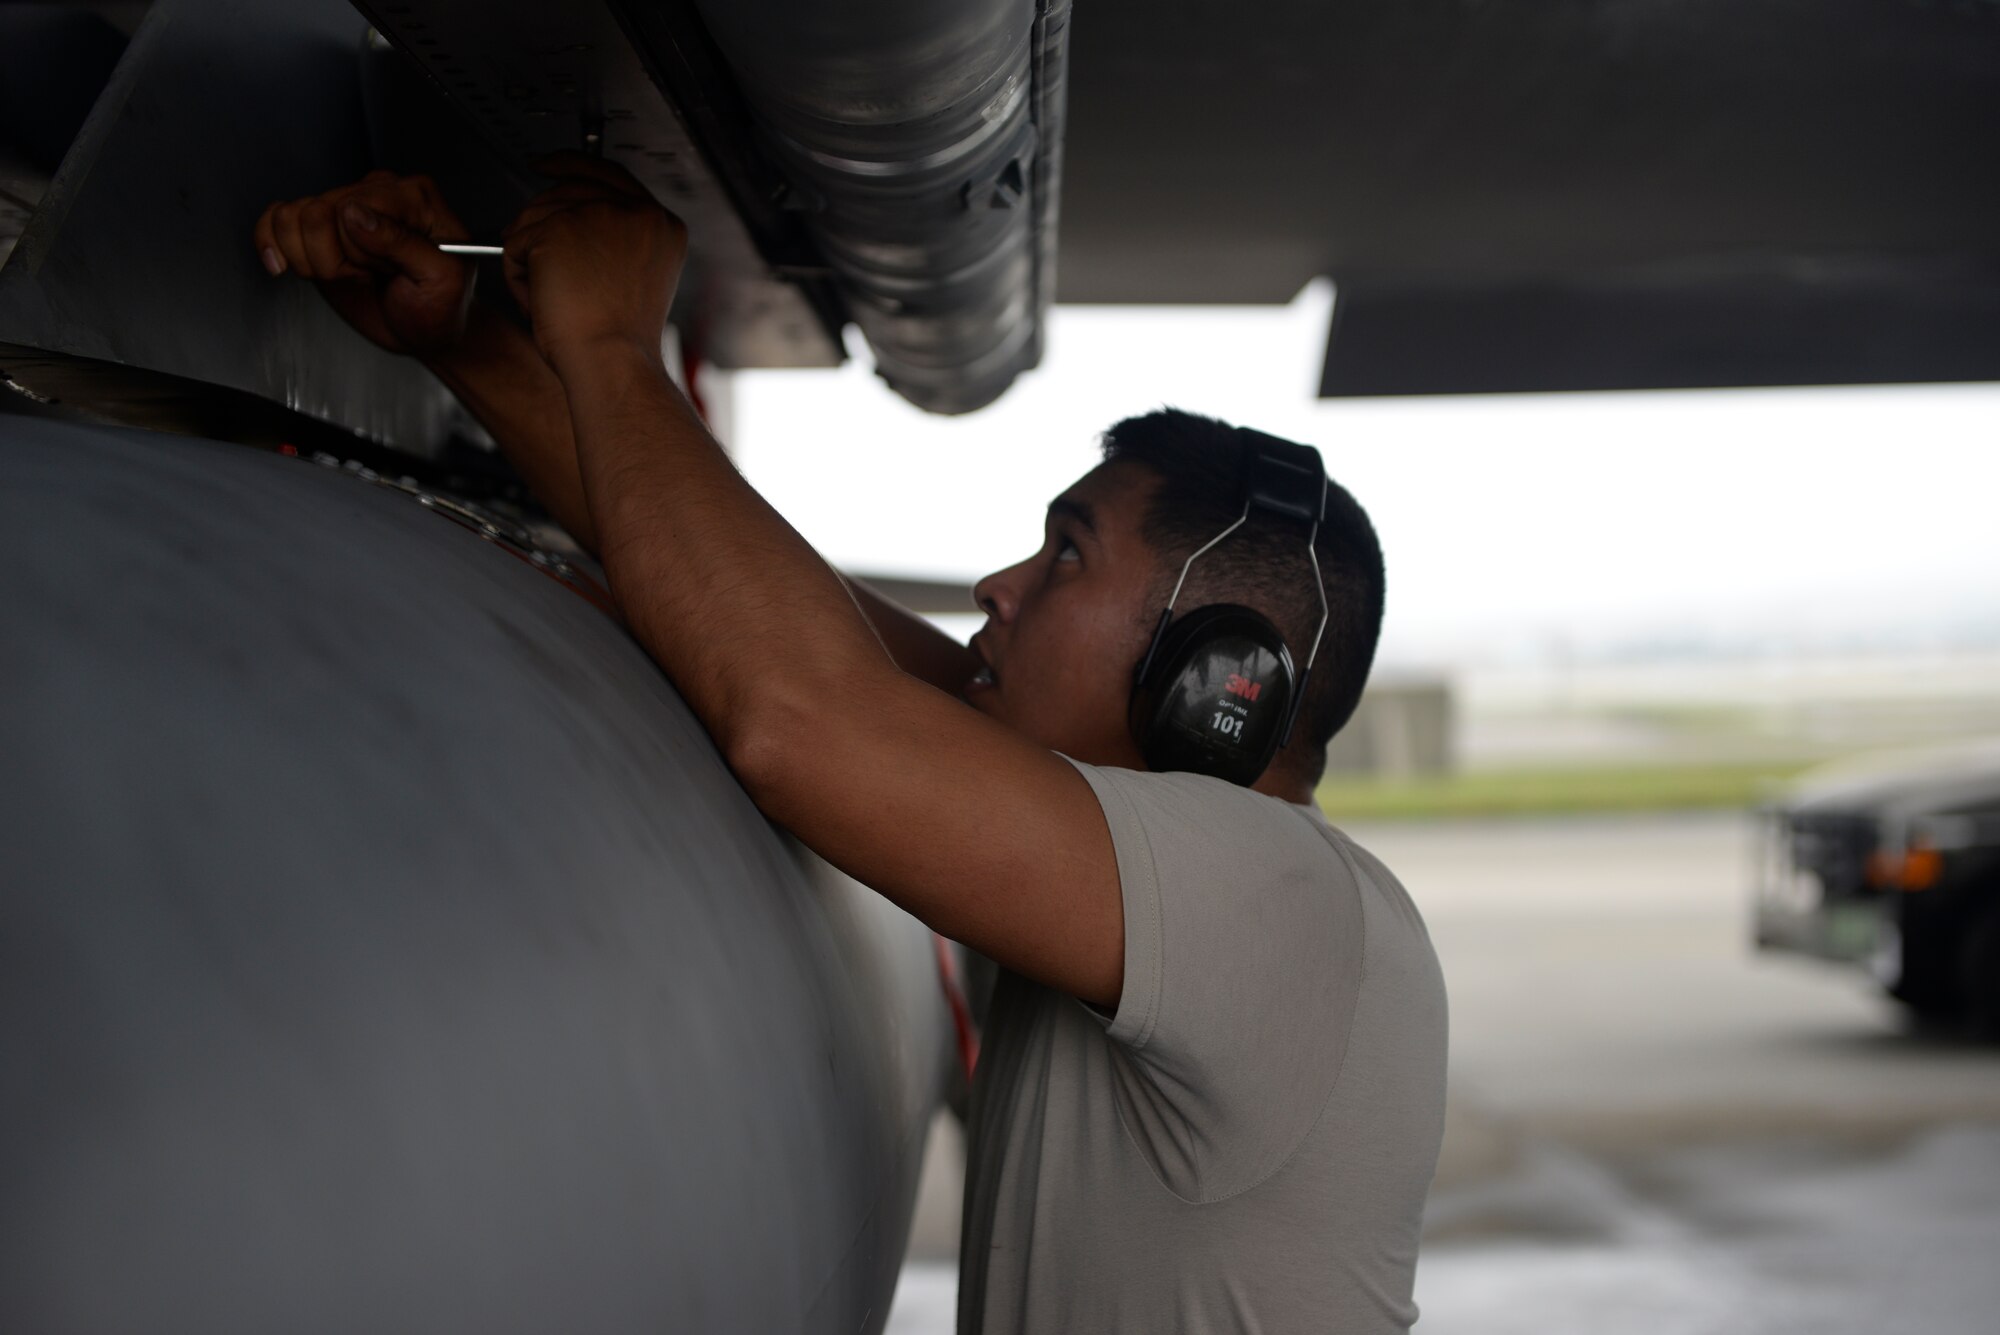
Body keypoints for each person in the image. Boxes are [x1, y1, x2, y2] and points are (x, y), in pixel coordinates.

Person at [254, 160, 1448, 1334]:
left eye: (1066, 554)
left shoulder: (1284, 899)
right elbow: (770, 617)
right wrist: (471, 345)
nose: (999, 584)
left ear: (1210, 679)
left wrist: (616, 346)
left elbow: (798, 717)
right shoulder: (1153, 847)